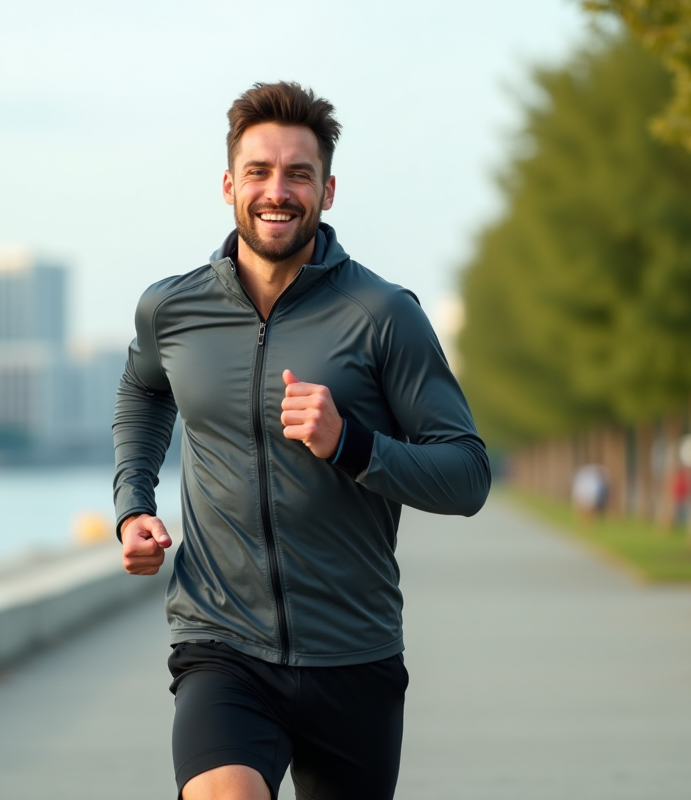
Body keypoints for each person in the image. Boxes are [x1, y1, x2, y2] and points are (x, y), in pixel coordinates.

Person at [113, 81, 491, 800]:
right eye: (258, 171)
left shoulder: (383, 314)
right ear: (229, 184)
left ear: (328, 189)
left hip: (354, 652)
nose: (276, 191)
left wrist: (351, 444)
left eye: (298, 174)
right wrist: (134, 503)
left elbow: (467, 475)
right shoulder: (172, 308)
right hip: (220, 641)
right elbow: (143, 390)